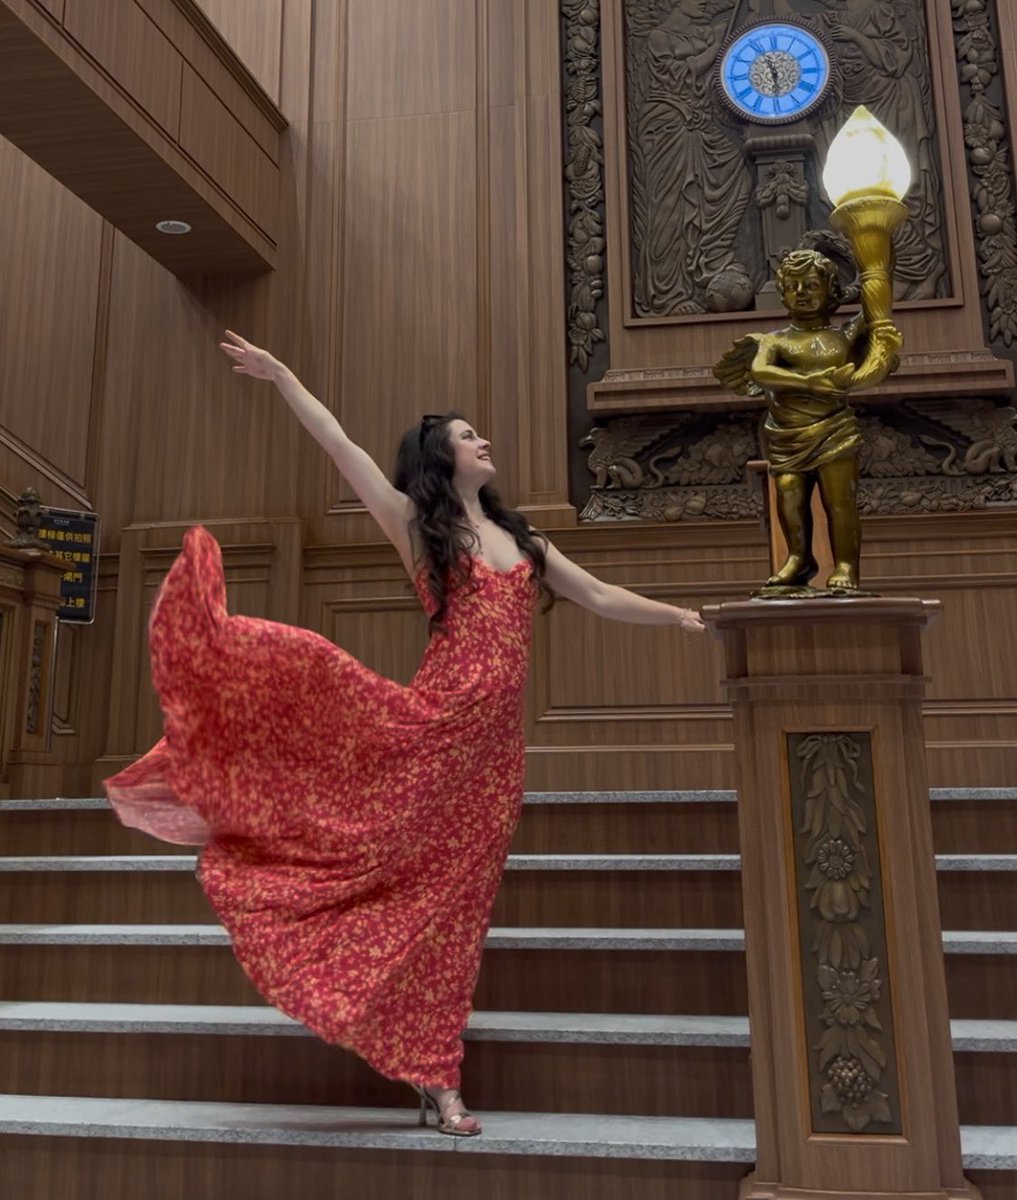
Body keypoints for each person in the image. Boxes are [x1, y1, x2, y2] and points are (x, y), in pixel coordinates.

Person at [104, 331, 705, 1138]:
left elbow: (595, 593)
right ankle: (426, 1068)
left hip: (493, 766)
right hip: (430, 733)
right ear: (440, 458)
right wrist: (283, 376)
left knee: (453, 920)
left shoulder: (523, 541)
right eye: (467, 435)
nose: (483, 440)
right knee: (377, 859)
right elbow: (341, 445)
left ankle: (435, 1078)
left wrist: (677, 616)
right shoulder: (418, 528)